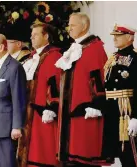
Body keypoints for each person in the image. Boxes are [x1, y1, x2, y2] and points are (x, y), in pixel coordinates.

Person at [55, 13, 112, 166]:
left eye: (73, 25)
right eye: (69, 25)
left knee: (84, 159)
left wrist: (97, 104)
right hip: (69, 115)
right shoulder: (75, 49)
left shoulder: (95, 49)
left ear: (84, 26)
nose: (69, 29)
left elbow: (99, 79)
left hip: (85, 114)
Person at [17, 23, 62, 167]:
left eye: (35, 35)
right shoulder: (31, 57)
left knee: (43, 153)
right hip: (28, 114)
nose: (32, 38)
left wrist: (51, 107)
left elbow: (55, 83)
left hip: (43, 113)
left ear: (46, 36)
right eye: (31, 35)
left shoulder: (54, 56)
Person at [0, 33, 26, 167]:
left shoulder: (14, 67)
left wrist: (17, 126)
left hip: (6, 127)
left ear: (2, 47)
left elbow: (18, 98)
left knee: (6, 163)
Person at [103, 24, 137, 167]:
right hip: (112, 109)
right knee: (116, 150)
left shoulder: (136, 57)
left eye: (118, 36)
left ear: (129, 37)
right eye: (114, 36)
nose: (114, 39)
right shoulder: (113, 58)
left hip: (126, 110)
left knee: (130, 152)